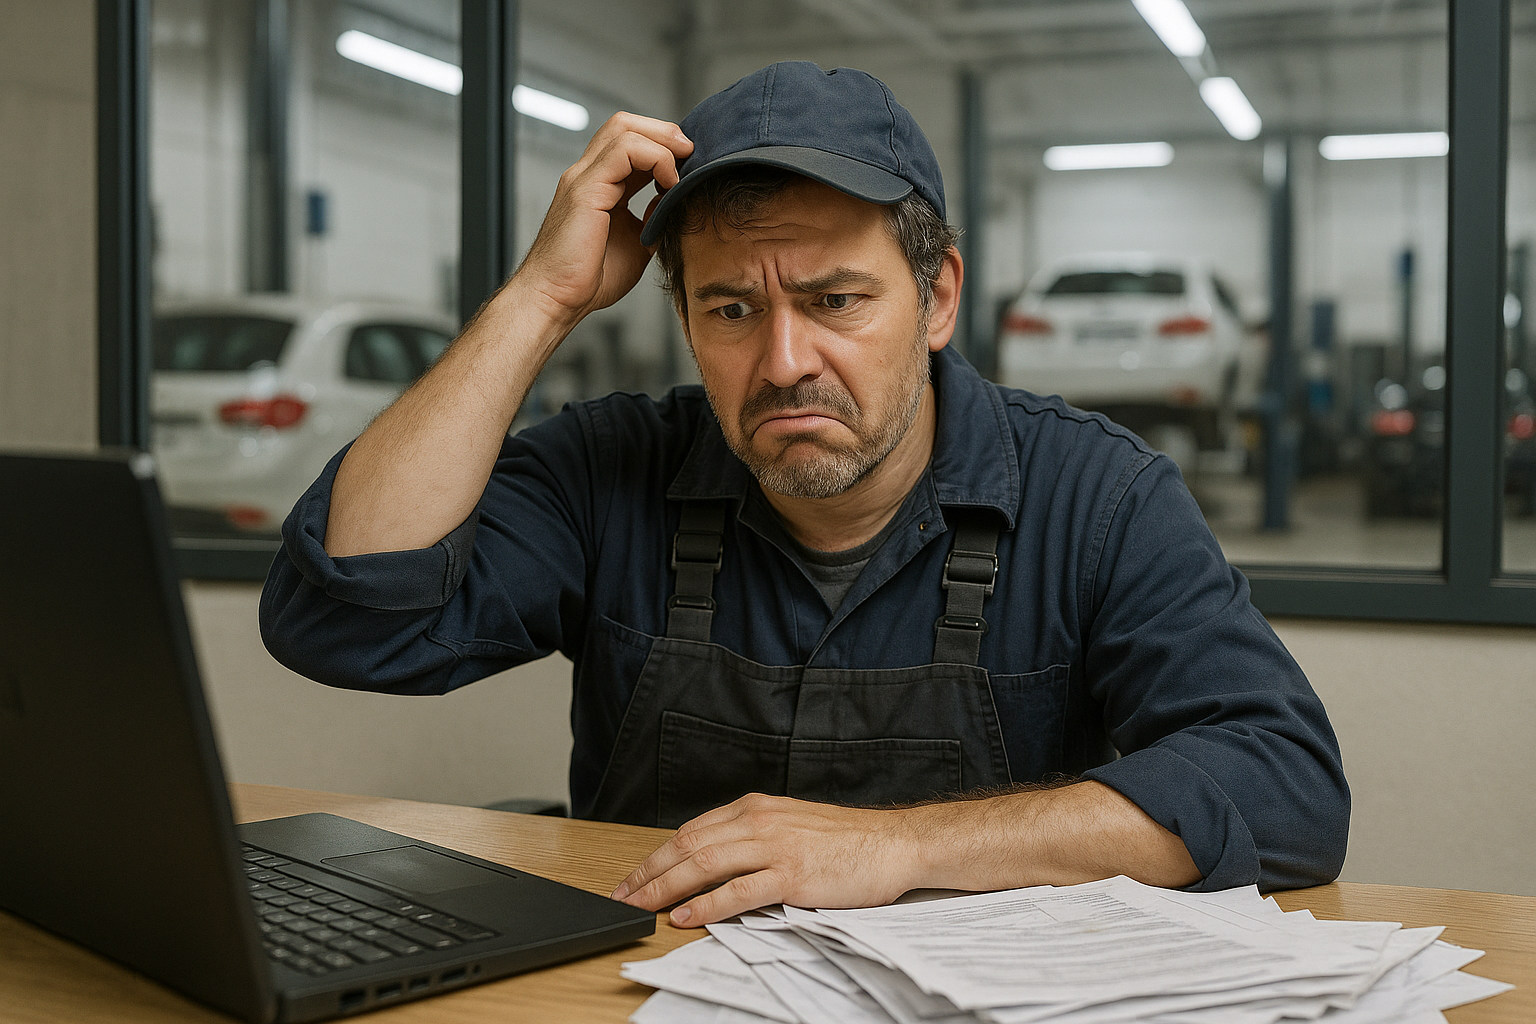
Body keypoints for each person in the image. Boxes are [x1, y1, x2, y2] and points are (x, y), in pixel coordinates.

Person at [260, 61, 1348, 929]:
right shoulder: (613, 468)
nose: (783, 361)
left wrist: (896, 845)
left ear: (937, 298)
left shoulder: (1093, 494)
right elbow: (346, 616)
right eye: (731, 310)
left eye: (836, 300)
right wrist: (543, 298)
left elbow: (1282, 785)